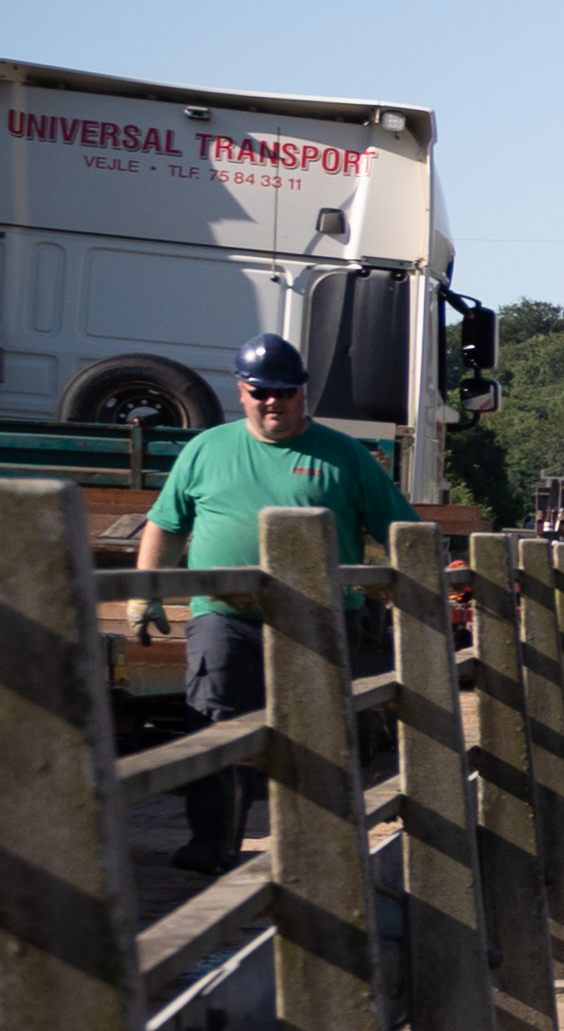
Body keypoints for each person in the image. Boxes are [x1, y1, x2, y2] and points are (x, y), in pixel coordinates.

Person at [133, 333, 414, 879]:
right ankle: (214, 842)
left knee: (319, 733)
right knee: (214, 723)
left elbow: (401, 528)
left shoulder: (345, 455)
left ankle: (321, 850)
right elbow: (166, 525)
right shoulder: (207, 449)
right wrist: (146, 593)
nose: (273, 402)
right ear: (241, 391)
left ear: (302, 392)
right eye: (261, 391)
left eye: (285, 391)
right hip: (224, 614)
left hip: (321, 619)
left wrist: (393, 584)